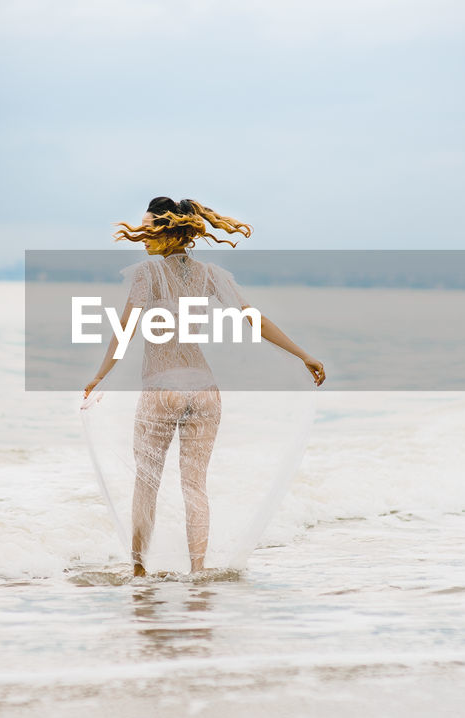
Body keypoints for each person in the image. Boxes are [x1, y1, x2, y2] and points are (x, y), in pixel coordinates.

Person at [82, 197, 325, 576]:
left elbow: (126, 330)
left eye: (148, 228)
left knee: (147, 484)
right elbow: (252, 319)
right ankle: (199, 575)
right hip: (205, 390)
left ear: (166, 231)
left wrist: (100, 375)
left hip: (162, 389)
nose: (142, 235)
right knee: (195, 487)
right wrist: (303, 355)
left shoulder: (148, 273)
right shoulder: (210, 274)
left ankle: (139, 574)